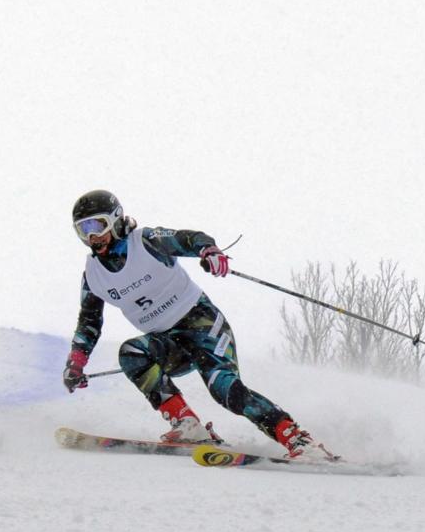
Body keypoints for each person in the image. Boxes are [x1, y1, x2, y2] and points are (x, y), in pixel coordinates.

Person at [63, 189, 333, 460]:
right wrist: (76, 363)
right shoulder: (93, 276)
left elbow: (187, 238)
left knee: (224, 389)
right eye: (82, 230)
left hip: (203, 327)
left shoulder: (145, 241)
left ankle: (297, 439)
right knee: (132, 353)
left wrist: (209, 251)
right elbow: (88, 323)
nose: (91, 236)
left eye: (96, 225)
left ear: (115, 219)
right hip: (169, 344)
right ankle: (187, 425)